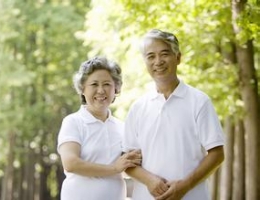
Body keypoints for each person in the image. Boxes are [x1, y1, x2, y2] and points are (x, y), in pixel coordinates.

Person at [122, 29, 225, 200]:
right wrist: (150, 181)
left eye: (164, 54)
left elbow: (217, 154)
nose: (158, 61)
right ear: (145, 62)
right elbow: (127, 162)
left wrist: (185, 186)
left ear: (178, 58)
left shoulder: (199, 101)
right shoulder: (138, 107)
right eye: (151, 56)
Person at [57, 56, 141, 200]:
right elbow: (71, 163)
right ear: (82, 89)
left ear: (116, 89)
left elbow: (128, 168)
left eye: (107, 84)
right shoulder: (73, 122)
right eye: (94, 84)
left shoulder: (122, 127)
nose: (101, 90)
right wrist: (114, 169)